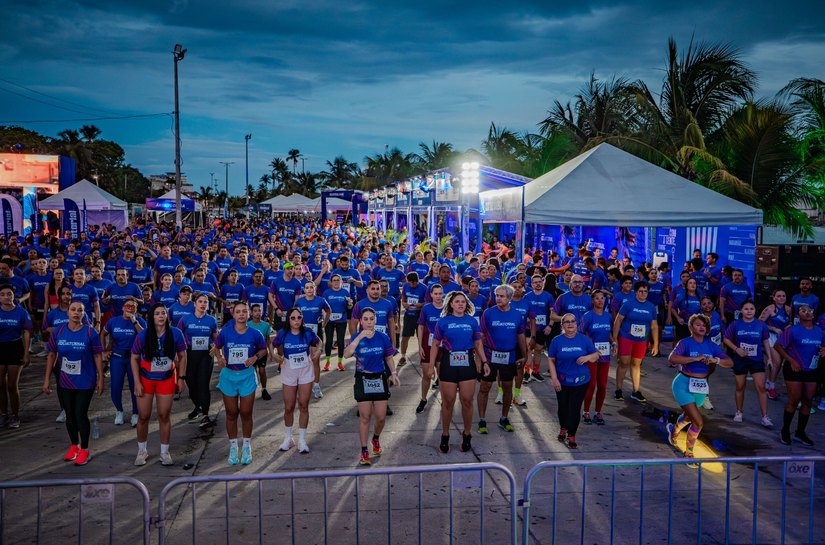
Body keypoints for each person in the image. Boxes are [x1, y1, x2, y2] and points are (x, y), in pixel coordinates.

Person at [42, 301, 104, 466]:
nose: (76, 313)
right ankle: (74, 446)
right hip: (65, 380)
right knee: (69, 414)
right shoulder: (59, 331)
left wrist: (101, 378)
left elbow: (98, 355)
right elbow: (52, 355)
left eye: (80, 310)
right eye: (73, 310)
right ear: (68, 312)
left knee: (80, 413)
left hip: (85, 380)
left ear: (84, 314)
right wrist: (47, 379)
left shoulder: (90, 332)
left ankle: (85, 449)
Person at [666, 314, 732, 466]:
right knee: (698, 422)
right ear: (691, 327)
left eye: (704, 325)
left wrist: (716, 360)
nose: (702, 327)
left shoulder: (711, 345)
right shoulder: (685, 343)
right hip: (683, 384)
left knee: (689, 417)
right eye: (698, 324)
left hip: (701, 386)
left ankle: (674, 431)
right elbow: (672, 359)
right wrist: (694, 359)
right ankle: (689, 454)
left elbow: (729, 362)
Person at [130, 303, 187, 466]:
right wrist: (137, 382)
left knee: (164, 415)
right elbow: (134, 358)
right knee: (143, 416)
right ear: (151, 317)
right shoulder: (143, 335)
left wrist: (181, 378)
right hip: (146, 379)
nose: (161, 316)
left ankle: (164, 452)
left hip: (167, 378)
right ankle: (142, 451)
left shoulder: (176, 333)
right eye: (157, 313)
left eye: (163, 313)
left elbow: (183, 356)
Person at [431, 290, 486, 454]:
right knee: (448, 401)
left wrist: (485, 361)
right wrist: (431, 366)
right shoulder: (443, 322)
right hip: (448, 362)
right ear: (451, 304)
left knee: (467, 401)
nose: (460, 304)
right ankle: (445, 434)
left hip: (467, 362)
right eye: (457, 301)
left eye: (463, 301)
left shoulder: (472, 321)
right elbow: (435, 344)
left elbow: (478, 343)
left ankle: (467, 434)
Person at [212, 301, 268, 465]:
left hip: (247, 376)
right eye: (238, 311)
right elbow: (216, 347)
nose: (241, 314)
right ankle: (233, 446)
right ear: (233, 314)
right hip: (229, 376)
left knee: (246, 412)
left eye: (244, 311)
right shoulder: (226, 332)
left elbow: (263, 349)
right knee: (231, 413)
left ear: (248, 314)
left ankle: (247, 446)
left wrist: (255, 357)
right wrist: (219, 358)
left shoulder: (255, 333)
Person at [343, 308, 399, 465]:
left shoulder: (383, 337)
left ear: (375, 320)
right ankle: (364, 450)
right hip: (363, 378)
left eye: (371, 319)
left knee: (381, 417)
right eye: (365, 319)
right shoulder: (356, 337)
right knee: (365, 417)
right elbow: (346, 355)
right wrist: (359, 337)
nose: (368, 322)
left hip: (379, 378)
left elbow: (388, 357)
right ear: (361, 321)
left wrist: (394, 373)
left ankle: (375, 438)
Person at [477, 284, 527, 434]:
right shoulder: (488, 313)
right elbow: (481, 337)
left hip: (509, 357)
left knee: (507, 387)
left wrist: (525, 355)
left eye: (502, 296)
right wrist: (479, 359)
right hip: (490, 356)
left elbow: (520, 335)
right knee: (485, 387)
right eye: (497, 295)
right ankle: (482, 420)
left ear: (509, 297)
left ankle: (504, 418)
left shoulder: (517, 315)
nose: (498, 298)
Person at [774, 304, 824, 446]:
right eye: (803, 311)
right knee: (794, 400)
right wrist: (790, 360)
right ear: (798, 315)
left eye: (809, 310)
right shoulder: (793, 330)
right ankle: (785, 430)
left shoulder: (819, 331)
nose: (807, 312)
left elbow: (823, 345)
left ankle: (800, 432)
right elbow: (778, 345)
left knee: (808, 401)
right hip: (794, 369)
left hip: (812, 369)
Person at [547, 313, 600, 449]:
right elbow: (551, 360)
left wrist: (587, 357)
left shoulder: (584, 339)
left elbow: (596, 355)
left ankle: (571, 434)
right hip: (562, 381)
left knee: (575, 408)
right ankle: (563, 428)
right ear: (562, 325)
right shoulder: (556, 341)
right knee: (563, 407)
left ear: (577, 324)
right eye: (567, 322)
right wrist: (554, 379)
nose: (570, 324)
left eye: (573, 321)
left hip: (581, 381)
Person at [273, 308, 321, 453]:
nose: (296, 320)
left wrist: (318, 351)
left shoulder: (307, 332)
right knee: (289, 407)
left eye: (299, 317)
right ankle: (288, 438)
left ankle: (302, 440)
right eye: (293, 318)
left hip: (305, 369)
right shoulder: (283, 333)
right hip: (289, 369)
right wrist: (274, 354)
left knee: (304, 405)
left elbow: (319, 342)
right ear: (288, 319)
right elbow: (273, 345)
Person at [722, 301, 773, 427]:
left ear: (755, 310)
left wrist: (770, 358)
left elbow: (766, 341)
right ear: (741, 311)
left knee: (761, 387)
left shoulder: (761, 324)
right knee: (740, 386)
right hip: (740, 360)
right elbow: (726, 339)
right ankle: (739, 412)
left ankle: (765, 417)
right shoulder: (735, 324)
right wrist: (736, 349)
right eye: (746, 309)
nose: (749, 311)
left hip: (757, 359)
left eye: (751, 308)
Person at [612, 281, 658, 403]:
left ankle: (636, 391)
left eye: (645, 291)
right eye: (640, 291)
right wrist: (615, 338)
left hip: (641, 340)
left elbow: (654, 326)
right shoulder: (628, 304)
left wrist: (656, 344)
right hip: (626, 338)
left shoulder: (651, 307)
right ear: (636, 292)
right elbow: (618, 320)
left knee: (636, 365)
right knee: (624, 363)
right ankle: (618, 390)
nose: (643, 294)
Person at [102, 297, 145, 427]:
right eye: (127, 306)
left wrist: (134, 321)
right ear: (122, 308)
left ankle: (136, 413)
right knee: (116, 386)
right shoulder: (113, 321)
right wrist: (104, 351)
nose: (130, 308)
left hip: (134, 358)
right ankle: (119, 411)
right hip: (117, 357)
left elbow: (144, 336)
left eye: (133, 306)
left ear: (136, 309)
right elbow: (102, 334)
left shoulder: (140, 321)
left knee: (135, 386)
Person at [177, 293, 218, 427]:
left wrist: (215, 346)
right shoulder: (185, 319)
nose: (203, 304)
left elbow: (216, 338)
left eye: (205, 302)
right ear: (194, 304)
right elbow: (177, 336)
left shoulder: (211, 320)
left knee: (203, 384)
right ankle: (198, 406)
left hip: (205, 355)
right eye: (200, 301)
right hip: (189, 354)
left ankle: (206, 415)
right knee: (191, 383)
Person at [0, 285, 33, 429]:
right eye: (2, 294)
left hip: (15, 348)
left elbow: (26, 332)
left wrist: (26, 353)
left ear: (14, 295)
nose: (6, 297)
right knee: (0, 385)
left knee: (12, 385)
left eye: (9, 294)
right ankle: (3, 414)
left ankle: (15, 415)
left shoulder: (21, 312)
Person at [580, 292, 612, 425]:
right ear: (592, 301)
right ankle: (586, 411)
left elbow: (609, 333)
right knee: (591, 385)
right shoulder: (588, 316)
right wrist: (589, 349)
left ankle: (598, 412)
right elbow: (581, 334)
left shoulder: (608, 316)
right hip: (591, 356)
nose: (600, 301)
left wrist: (614, 342)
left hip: (605, 355)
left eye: (602, 298)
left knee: (603, 386)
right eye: (597, 298)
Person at [294, 281, 330, 399]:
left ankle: (316, 386)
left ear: (315, 288)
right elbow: (294, 316)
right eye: (307, 287)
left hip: (316, 333)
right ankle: (302, 386)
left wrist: (324, 323)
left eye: (311, 287)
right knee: (303, 361)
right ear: (304, 290)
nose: (309, 289)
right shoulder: (299, 302)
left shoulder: (320, 300)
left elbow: (329, 311)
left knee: (315, 360)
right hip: (302, 334)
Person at [416, 284, 444, 413]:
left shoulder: (447, 309)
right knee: (427, 375)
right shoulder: (426, 308)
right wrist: (420, 345)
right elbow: (421, 326)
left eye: (440, 293)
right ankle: (423, 399)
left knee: (442, 375)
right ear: (431, 294)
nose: (438, 296)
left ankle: (444, 400)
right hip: (428, 344)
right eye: (435, 294)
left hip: (443, 346)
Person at [759, 289, 792, 400]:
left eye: (783, 296)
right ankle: (771, 388)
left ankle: (769, 383)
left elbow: (792, 322)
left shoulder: (789, 309)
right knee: (776, 362)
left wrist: (789, 326)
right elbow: (759, 323)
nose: (781, 298)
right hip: (771, 337)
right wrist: (773, 328)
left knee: (778, 364)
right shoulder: (769, 309)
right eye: (778, 296)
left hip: (783, 339)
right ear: (774, 298)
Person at [524, 274, 555, 383]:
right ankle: (526, 373)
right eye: (535, 282)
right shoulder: (527, 296)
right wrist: (527, 319)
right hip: (529, 328)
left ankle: (535, 372)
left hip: (542, 329)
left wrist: (550, 325)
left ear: (542, 283)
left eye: (539, 282)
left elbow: (552, 312)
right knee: (528, 350)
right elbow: (524, 311)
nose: (537, 284)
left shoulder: (548, 296)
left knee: (538, 350)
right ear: (531, 284)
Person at [322, 274, 352, 372]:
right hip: (329, 320)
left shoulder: (345, 292)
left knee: (340, 341)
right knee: (329, 341)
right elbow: (323, 307)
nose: (336, 282)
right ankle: (327, 362)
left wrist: (350, 304)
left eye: (338, 280)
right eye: (334, 280)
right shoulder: (326, 293)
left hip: (341, 319)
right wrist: (325, 316)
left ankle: (340, 362)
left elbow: (349, 307)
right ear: (331, 282)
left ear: (341, 282)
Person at [247, 303, 274, 400]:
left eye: (259, 311)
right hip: (251, 352)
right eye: (255, 311)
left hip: (262, 351)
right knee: (252, 371)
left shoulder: (266, 325)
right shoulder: (247, 325)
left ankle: (264, 389)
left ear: (262, 312)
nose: (257, 313)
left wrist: (271, 352)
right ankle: (251, 390)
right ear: (251, 313)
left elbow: (268, 339)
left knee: (262, 371)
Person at [399, 272, 427, 366]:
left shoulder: (424, 288)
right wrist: (404, 303)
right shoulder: (406, 286)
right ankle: (403, 356)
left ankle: (423, 358)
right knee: (405, 337)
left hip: (419, 315)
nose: (410, 285)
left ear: (416, 281)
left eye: (412, 283)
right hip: (409, 315)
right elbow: (403, 296)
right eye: (409, 283)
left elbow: (428, 302)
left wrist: (421, 305)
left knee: (421, 338)